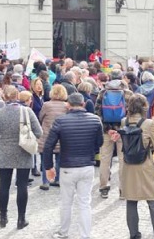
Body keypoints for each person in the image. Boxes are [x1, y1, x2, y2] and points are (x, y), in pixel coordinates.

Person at [44, 93, 103, 239]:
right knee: (85, 203)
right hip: (87, 165)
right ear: (83, 104)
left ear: (68, 105)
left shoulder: (60, 121)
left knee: (66, 202)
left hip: (67, 166)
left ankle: (63, 232)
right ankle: (85, 235)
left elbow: (48, 146)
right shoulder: (95, 120)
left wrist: (48, 167)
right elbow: (99, 143)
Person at [0, 86, 42, 230]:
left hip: (4, 151)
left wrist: (2, 140)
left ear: (4, 97)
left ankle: (3, 217)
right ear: (17, 95)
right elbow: (39, 132)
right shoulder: (27, 111)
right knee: (22, 185)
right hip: (24, 150)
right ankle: (21, 219)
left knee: (4, 185)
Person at [116, 94, 154, 239]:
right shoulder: (148, 123)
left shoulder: (123, 122)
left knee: (131, 200)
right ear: (144, 106)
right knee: (153, 201)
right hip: (145, 165)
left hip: (128, 165)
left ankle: (134, 234)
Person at [95, 76, 134, 199]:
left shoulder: (102, 93)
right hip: (123, 132)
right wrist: (121, 130)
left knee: (105, 159)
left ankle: (103, 188)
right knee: (123, 161)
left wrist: (108, 129)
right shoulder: (128, 94)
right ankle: (123, 191)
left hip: (107, 132)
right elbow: (131, 115)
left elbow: (98, 113)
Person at [38, 84, 68, 190]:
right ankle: (58, 179)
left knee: (45, 159)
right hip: (61, 136)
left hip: (47, 135)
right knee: (59, 160)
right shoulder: (66, 106)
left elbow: (41, 117)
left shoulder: (46, 105)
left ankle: (45, 181)